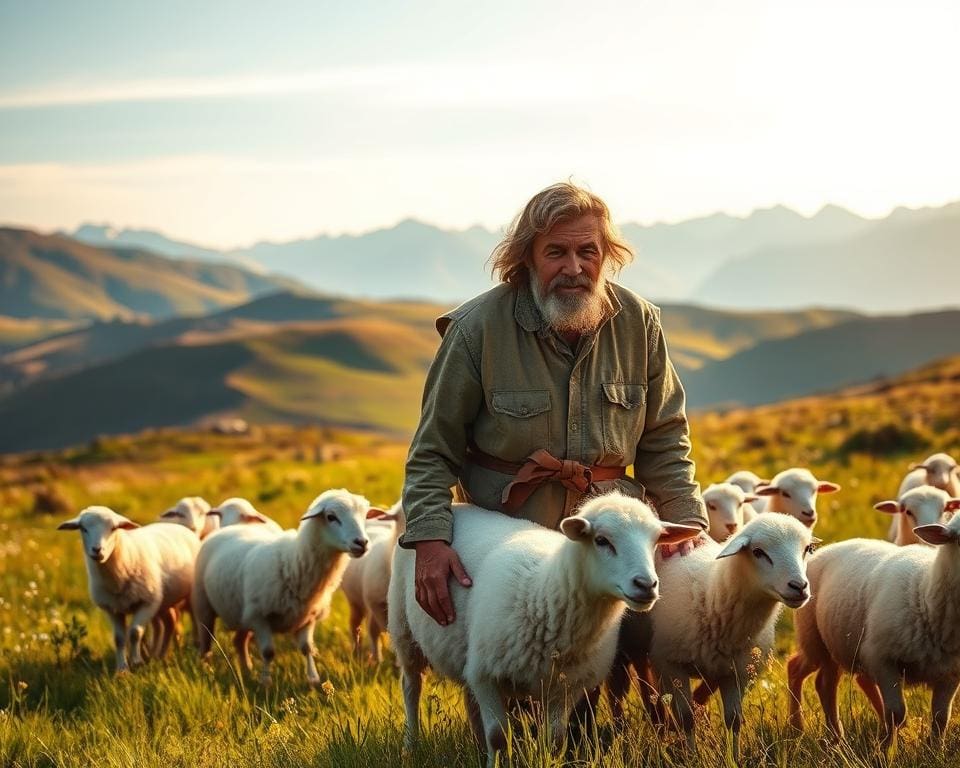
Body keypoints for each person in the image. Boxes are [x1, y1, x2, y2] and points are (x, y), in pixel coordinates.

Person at [399, 181, 708, 629]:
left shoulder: (639, 324)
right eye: (556, 253)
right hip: (505, 551)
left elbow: (665, 436)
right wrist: (429, 540)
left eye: (588, 252)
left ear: (607, 256)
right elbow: (433, 450)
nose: (574, 267)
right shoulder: (476, 331)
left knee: (612, 675)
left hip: (614, 546)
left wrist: (685, 521)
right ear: (527, 258)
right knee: (506, 677)